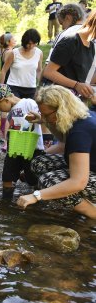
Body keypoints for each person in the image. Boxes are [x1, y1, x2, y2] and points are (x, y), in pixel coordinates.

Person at [17, 85, 96, 219]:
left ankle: (92, 213)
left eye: (47, 115)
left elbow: (79, 182)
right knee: (39, 163)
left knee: (47, 182)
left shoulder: (80, 132)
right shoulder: (80, 116)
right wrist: (44, 120)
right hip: (91, 168)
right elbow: (62, 142)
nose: (45, 119)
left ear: (62, 110)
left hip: (87, 176)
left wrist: (36, 196)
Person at [0, 84, 44, 199]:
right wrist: (6, 141)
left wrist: (38, 118)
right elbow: (10, 127)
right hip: (14, 149)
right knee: (7, 176)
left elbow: (42, 118)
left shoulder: (28, 103)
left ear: (5, 100)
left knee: (34, 179)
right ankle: (5, 202)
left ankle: (36, 201)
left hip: (32, 149)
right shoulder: (11, 111)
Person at [43, 10, 96, 103]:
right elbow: (48, 72)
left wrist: (87, 91)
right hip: (57, 99)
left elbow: (81, 79)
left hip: (73, 102)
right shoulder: (71, 41)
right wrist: (76, 85)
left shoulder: (91, 45)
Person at [0, 28, 42, 99]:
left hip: (31, 88)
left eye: (34, 44)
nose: (31, 46)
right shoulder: (14, 53)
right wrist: (1, 88)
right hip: (14, 87)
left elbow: (39, 70)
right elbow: (4, 70)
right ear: (24, 41)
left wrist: (41, 85)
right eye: (29, 43)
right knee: (17, 109)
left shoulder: (39, 53)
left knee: (29, 109)